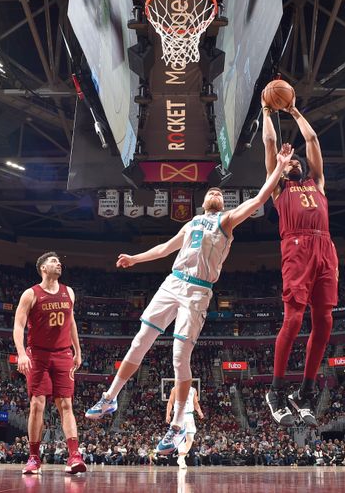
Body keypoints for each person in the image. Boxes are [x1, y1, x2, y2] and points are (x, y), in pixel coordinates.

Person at [85, 144, 296, 456]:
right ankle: (111, 396)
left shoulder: (226, 220)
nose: (213, 192)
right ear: (203, 203)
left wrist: (278, 167)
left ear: (222, 203)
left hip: (197, 290)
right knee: (140, 340)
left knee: (178, 357)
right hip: (173, 282)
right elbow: (163, 249)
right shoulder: (191, 224)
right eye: (210, 191)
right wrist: (134, 258)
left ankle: (176, 426)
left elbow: (260, 198)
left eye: (218, 192)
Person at [261, 93, 338, 427]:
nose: (291, 163)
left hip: (325, 250)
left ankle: (305, 392)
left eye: (294, 163)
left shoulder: (317, 183)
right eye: (286, 163)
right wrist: (266, 111)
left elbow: (312, 138)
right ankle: (276, 390)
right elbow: (269, 141)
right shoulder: (278, 188)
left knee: (325, 322)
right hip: (296, 249)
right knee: (293, 320)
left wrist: (293, 110)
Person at [13, 251, 86, 475]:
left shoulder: (69, 292)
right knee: (37, 404)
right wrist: (21, 354)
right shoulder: (31, 294)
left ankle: (74, 456)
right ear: (43, 268)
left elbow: (71, 322)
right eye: (53, 261)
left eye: (59, 261)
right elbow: (18, 325)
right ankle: (34, 457)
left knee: (66, 405)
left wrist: (77, 350)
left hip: (63, 354)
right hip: (38, 355)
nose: (59, 263)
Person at [166, 383, 204, 469]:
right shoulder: (175, 389)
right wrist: (168, 415)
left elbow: (195, 403)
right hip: (178, 415)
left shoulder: (193, 390)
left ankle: (181, 457)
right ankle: (182, 461)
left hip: (189, 416)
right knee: (180, 439)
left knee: (190, 439)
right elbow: (170, 402)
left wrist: (199, 412)